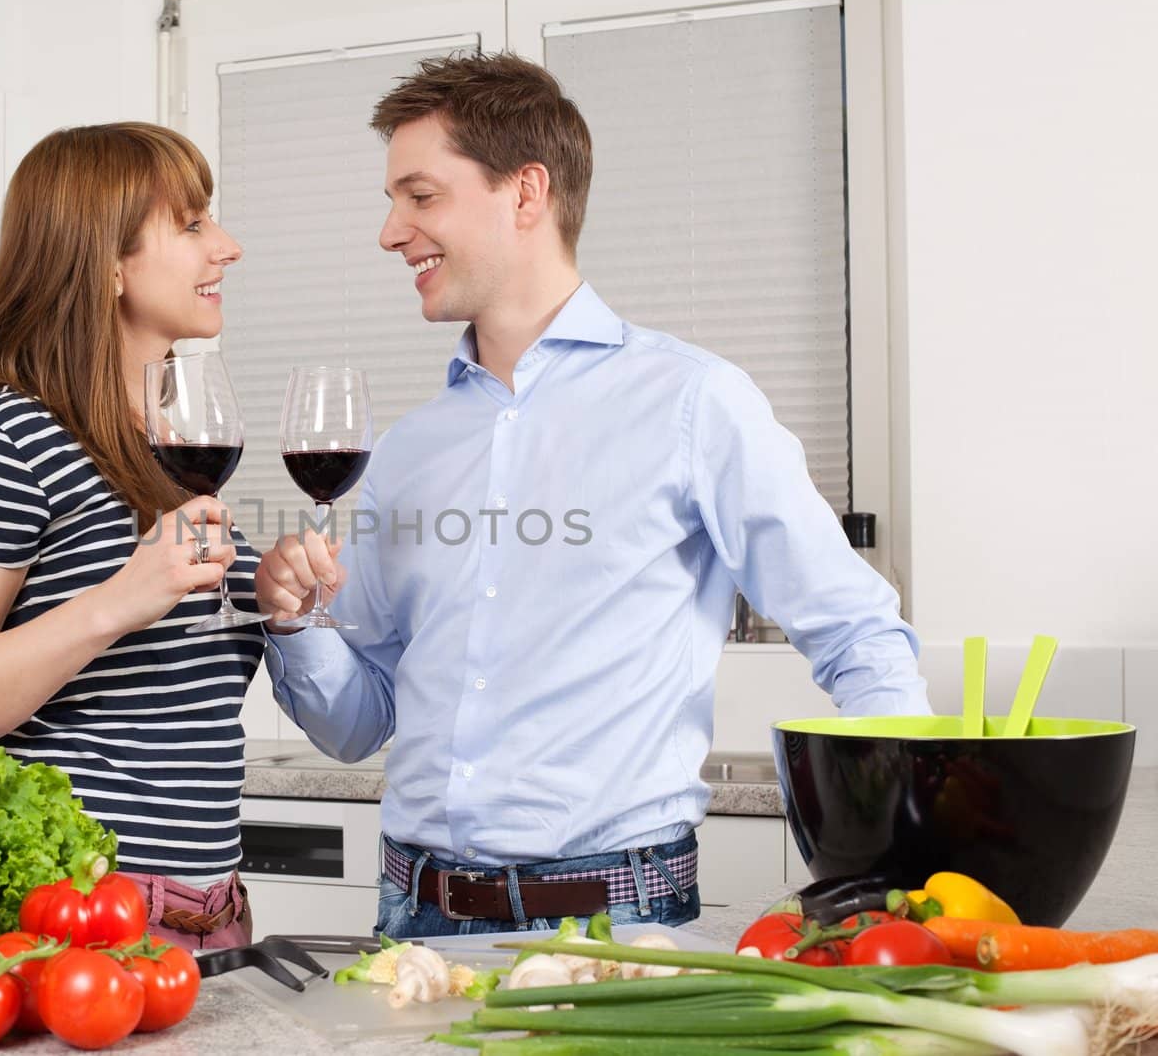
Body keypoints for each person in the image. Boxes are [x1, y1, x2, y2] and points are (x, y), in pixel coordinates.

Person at [253, 53, 931, 939]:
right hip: (411, 922)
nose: (391, 231)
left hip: (617, 927)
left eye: (420, 197)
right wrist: (295, 626)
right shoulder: (407, 450)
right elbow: (359, 721)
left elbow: (857, 632)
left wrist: (916, 866)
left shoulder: (694, 403)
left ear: (525, 193)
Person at [0, 123, 264, 950]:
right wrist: (117, 602)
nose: (227, 247)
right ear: (109, 263)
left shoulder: (172, 447)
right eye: (193, 224)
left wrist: (280, 599)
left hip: (212, 917)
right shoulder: (6, 439)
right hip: (76, 918)